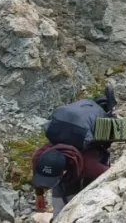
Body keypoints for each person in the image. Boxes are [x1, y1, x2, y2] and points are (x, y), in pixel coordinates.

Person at [31, 87, 117, 216]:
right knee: (61, 205)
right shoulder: (40, 157)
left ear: (63, 172)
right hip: (72, 124)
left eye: (49, 184)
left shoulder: (90, 165)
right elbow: (41, 175)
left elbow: (114, 177)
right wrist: (39, 195)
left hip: (89, 136)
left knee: (85, 188)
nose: (47, 188)